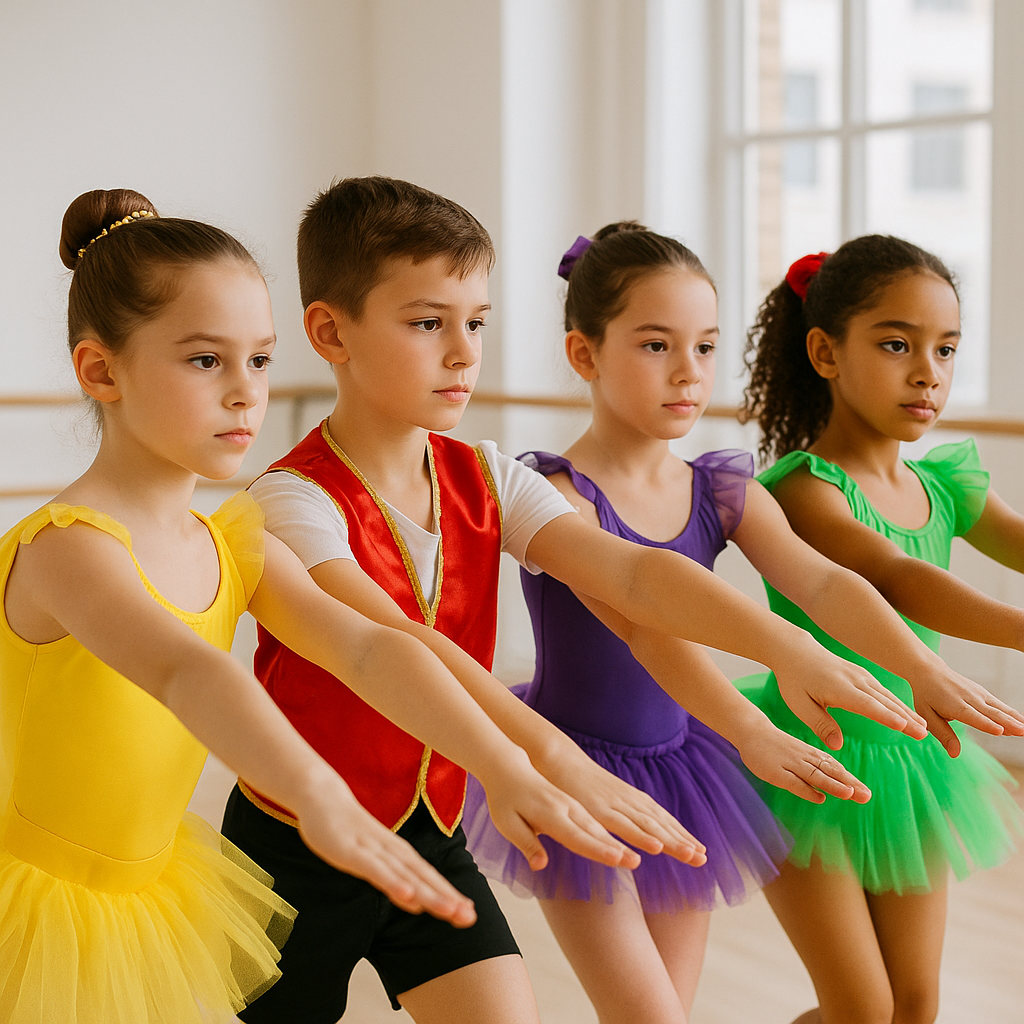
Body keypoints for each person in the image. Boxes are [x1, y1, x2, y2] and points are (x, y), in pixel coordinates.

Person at [224, 176, 1004, 1024]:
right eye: (427, 323)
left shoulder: (486, 475)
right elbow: (402, 650)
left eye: (476, 323)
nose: (463, 353)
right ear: (330, 332)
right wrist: (544, 761)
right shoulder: (289, 500)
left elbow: (634, 579)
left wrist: (794, 650)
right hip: (299, 844)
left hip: (429, 829)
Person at [0, 187, 678, 1024]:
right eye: (206, 361)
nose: (246, 392)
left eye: (259, 360)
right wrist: (317, 794)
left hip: (159, 893)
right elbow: (189, 673)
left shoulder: (232, 540)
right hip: (44, 914)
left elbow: (369, 647)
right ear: (102, 370)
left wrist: (516, 763)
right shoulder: (69, 548)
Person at [458, 222, 1024, 1024]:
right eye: (656, 345)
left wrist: (924, 668)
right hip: (576, 773)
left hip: (684, 773)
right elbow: (646, 629)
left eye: (705, 347)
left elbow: (827, 584)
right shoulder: (554, 497)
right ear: (584, 354)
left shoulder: (725, 491)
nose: (688, 372)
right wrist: (750, 726)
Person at [741, 235, 1024, 1024]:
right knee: (861, 1008)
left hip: (913, 763)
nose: (928, 371)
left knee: (915, 1006)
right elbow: (900, 580)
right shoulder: (802, 492)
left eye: (946, 349)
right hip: (809, 761)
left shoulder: (947, 486)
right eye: (898, 345)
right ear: (826, 353)